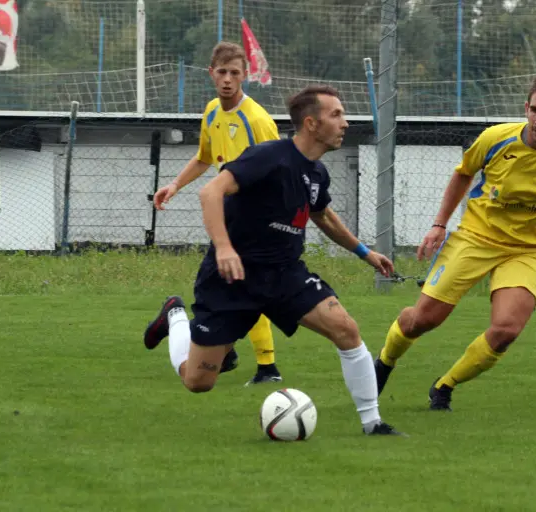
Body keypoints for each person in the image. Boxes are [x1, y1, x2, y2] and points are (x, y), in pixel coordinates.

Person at [143, 84, 406, 436]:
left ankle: (373, 423)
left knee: (346, 329)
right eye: (336, 114)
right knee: (198, 381)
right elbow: (210, 192)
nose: (345, 123)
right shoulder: (268, 157)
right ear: (311, 123)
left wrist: (365, 252)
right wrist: (224, 248)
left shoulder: (317, 172)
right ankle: (175, 316)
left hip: (284, 275)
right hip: (232, 278)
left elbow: (323, 216)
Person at [374, 74, 536, 411]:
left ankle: (444, 386)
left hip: (525, 251)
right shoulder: (496, 138)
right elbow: (463, 173)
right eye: (535, 110)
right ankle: (385, 361)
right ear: (526, 108)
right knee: (423, 320)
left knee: (506, 329)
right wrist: (439, 225)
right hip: (474, 238)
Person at [150, 41, 282, 386]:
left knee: (245, 287)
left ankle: (242, 355)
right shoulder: (212, 112)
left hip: (256, 218)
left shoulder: (257, 120)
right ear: (211, 73)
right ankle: (250, 359)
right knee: (244, 287)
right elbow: (204, 157)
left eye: (234, 73)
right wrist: (174, 185)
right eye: (221, 72)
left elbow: (279, 169)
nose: (227, 79)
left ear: (245, 75)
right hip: (230, 219)